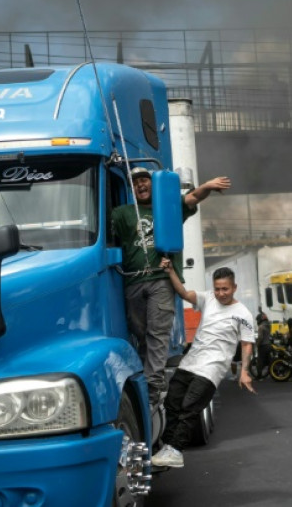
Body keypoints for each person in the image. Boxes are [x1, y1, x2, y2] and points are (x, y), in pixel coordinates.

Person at [112, 167, 231, 408]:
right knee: (141, 335)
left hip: (161, 280)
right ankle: (147, 381)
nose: (141, 185)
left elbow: (192, 198)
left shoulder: (168, 207)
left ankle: (153, 387)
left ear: (153, 184)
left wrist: (207, 185)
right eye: (135, 183)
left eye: (144, 180)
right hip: (133, 282)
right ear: (131, 189)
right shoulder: (122, 214)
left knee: (157, 334)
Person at [151, 264, 256, 468]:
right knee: (172, 401)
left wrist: (244, 372)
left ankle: (175, 449)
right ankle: (168, 447)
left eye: (225, 289)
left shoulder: (243, 313)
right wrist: (171, 271)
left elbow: (246, 344)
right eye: (217, 288)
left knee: (190, 407)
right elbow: (182, 292)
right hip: (191, 362)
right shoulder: (207, 298)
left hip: (212, 368)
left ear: (234, 287)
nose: (220, 293)